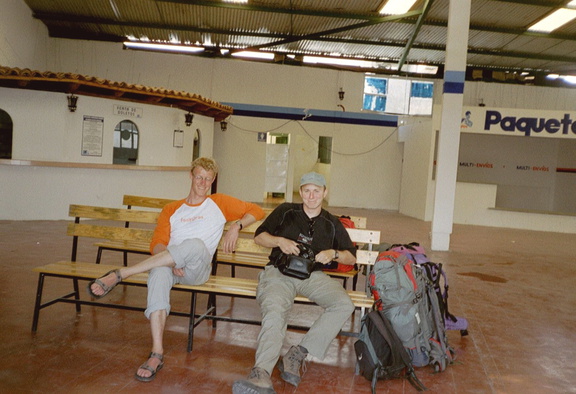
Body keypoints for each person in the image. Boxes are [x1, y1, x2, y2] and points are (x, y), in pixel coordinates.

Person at [87, 157, 265, 382]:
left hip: (197, 269)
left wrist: (236, 226)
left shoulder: (219, 203)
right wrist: (171, 262)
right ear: (190, 176)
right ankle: (156, 353)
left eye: (208, 179)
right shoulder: (172, 209)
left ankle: (122, 273)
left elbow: (257, 211)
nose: (202, 183)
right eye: (199, 177)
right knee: (158, 274)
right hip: (172, 267)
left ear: (213, 181)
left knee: (195, 244)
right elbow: (159, 244)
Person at [233, 172, 356, 394]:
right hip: (279, 272)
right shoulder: (286, 211)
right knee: (275, 310)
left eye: (316, 191)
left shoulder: (331, 223)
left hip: (312, 276)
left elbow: (351, 257)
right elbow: (259, 237)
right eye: (307, 190)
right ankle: (261, 373)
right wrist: (279, 241)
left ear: (324, 193)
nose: (311, 195)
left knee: (344, 304)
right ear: (300, 192)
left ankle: (297, 353)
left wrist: (333, 253)